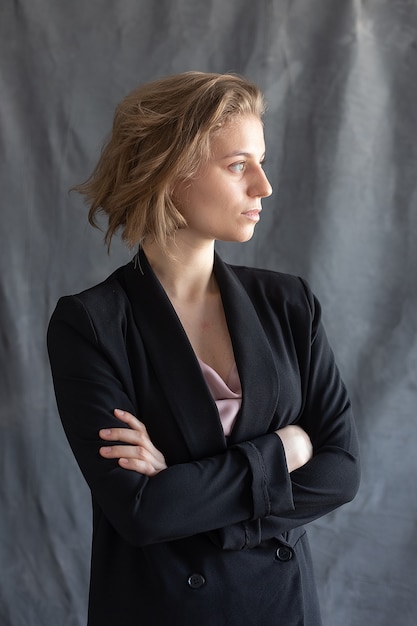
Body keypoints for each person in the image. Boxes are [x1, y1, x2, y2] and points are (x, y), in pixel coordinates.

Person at [47, 71, 360, 626]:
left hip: (284, 608)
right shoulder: (91, 324)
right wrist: (282, 453)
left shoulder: (289, 303)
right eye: (239, 164)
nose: (263, 186)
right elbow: (142, 512)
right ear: (170, 171)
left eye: (260, 162)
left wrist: (184, 488)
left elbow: (341, 472)